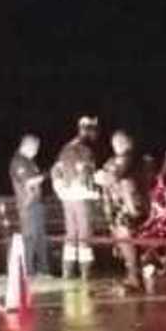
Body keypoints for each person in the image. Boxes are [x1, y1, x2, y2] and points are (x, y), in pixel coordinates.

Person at [95, 130, 149, 289]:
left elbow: (112, 176)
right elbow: (106, 175)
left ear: (128, 142)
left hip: (128, 206)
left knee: (126, 239)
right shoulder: (117, 159)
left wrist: (103, 177)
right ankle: (133, 275)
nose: (116, 144)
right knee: (123, 241)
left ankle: (134, 277)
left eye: (120, 141)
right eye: (115, 141)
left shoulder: (128, 158)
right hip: (118, 205)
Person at [51, 116, 101, 280]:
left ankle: (68, 271)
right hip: (82, 197)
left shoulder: (65, 148)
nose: (96, 135)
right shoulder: (85, 150)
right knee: (84, 234)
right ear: (87, 129)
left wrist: (61, 190)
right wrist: (95, 192)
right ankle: (86, 273)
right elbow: (87, 175)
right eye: (94, 130)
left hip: (67, 198)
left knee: (71, 234)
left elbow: (55, 171)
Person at [9, 134, 50, 276]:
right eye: (35, 148)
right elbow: (29, 181)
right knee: (30, 239)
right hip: (28, 205)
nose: (36, 151)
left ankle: (44, 271)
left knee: (40, 239)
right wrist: (46, 175)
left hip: (36, 203)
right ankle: (29, 272)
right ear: (27, 145)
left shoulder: (29, 161)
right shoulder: (19, 162)